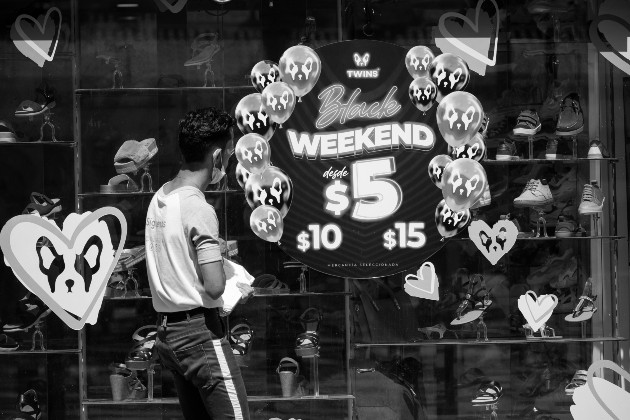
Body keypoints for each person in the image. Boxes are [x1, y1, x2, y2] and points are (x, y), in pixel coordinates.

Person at [145, 107, 250, 420]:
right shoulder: (198, 208)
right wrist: (239, 288)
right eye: (229, 154)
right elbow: (214, 286)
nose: (229, 162)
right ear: (217, 157)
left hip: (168, 334)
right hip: (200, 334)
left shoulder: (161, 196)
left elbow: (175, 256)